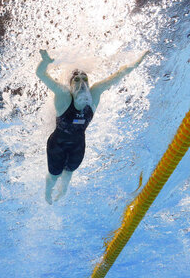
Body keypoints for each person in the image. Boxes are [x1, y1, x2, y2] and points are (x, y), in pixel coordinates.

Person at [36, 49, 148, 205]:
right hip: (57, 145)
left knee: (68, 175)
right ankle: (48, 192)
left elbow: (116, 77)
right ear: (70, 84)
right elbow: (41, 75)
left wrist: (134, 65)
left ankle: (64, 189)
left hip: (78, 145)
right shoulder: (63, 96)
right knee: (54, 175)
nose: (81, 82)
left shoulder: (94, 94)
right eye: (76, 79)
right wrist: (46, 62)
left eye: (84, 78)